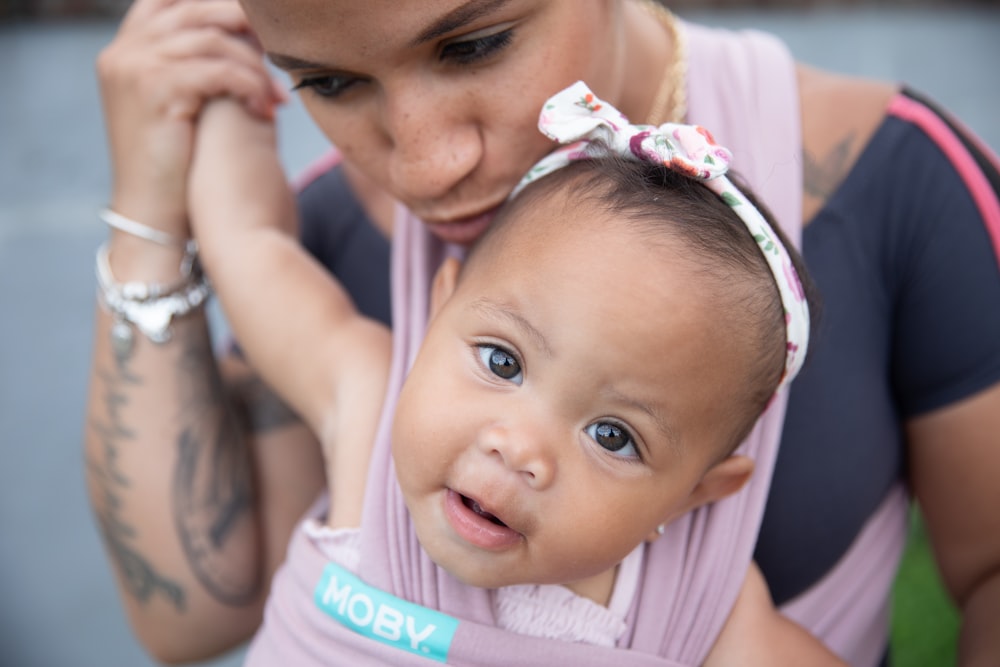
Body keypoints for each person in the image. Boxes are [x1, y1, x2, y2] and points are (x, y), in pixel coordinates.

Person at [86, 0, 1000, 664]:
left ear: (701, 489)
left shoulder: (900, 180)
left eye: (476, 42)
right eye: (328, 80)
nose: (428, 160)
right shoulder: (345, 313)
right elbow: (189, 619)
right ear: (438, 305)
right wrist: (151, 204)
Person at [182, 81, 830, 664]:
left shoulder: (695, 591)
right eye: (503, 361)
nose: (520, 448)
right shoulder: (368, 415)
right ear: (440, 310)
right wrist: (219, 88)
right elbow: (247, 242)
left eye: (612, 435)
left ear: (694, 494)